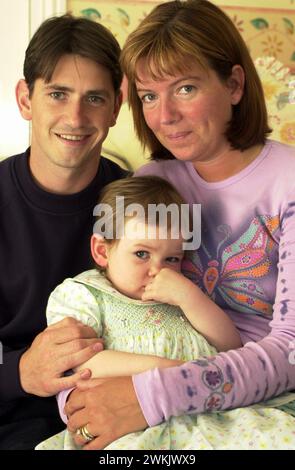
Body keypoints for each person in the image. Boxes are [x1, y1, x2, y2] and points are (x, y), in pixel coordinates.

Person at [63, 0, 295, 450]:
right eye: (149, 96)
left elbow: (291, 350)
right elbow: (105, 299)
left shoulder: (288, 182)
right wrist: (84, 405)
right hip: (157, 380)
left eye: (185, 88)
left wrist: (153, 395)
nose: (164, 116)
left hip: (262, 394)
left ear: (233, 84)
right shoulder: (150, 183)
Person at [36, 174, 247, 450]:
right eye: (142, 254)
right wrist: (167, 371)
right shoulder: (84, 294)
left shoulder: (181, 296)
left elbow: (232, 345)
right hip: (130, 423)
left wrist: (190, 297)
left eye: (172, 258)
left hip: (211, 414)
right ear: (102, 251)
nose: (157, 270)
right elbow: (83, 364)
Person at [0, 14, 128, 450]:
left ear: (116, 106)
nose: (75, 117)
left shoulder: (145, 205)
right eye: (57, 94)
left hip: (120, 419)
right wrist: (19, 370)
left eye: (94, 98)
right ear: (25, 99)